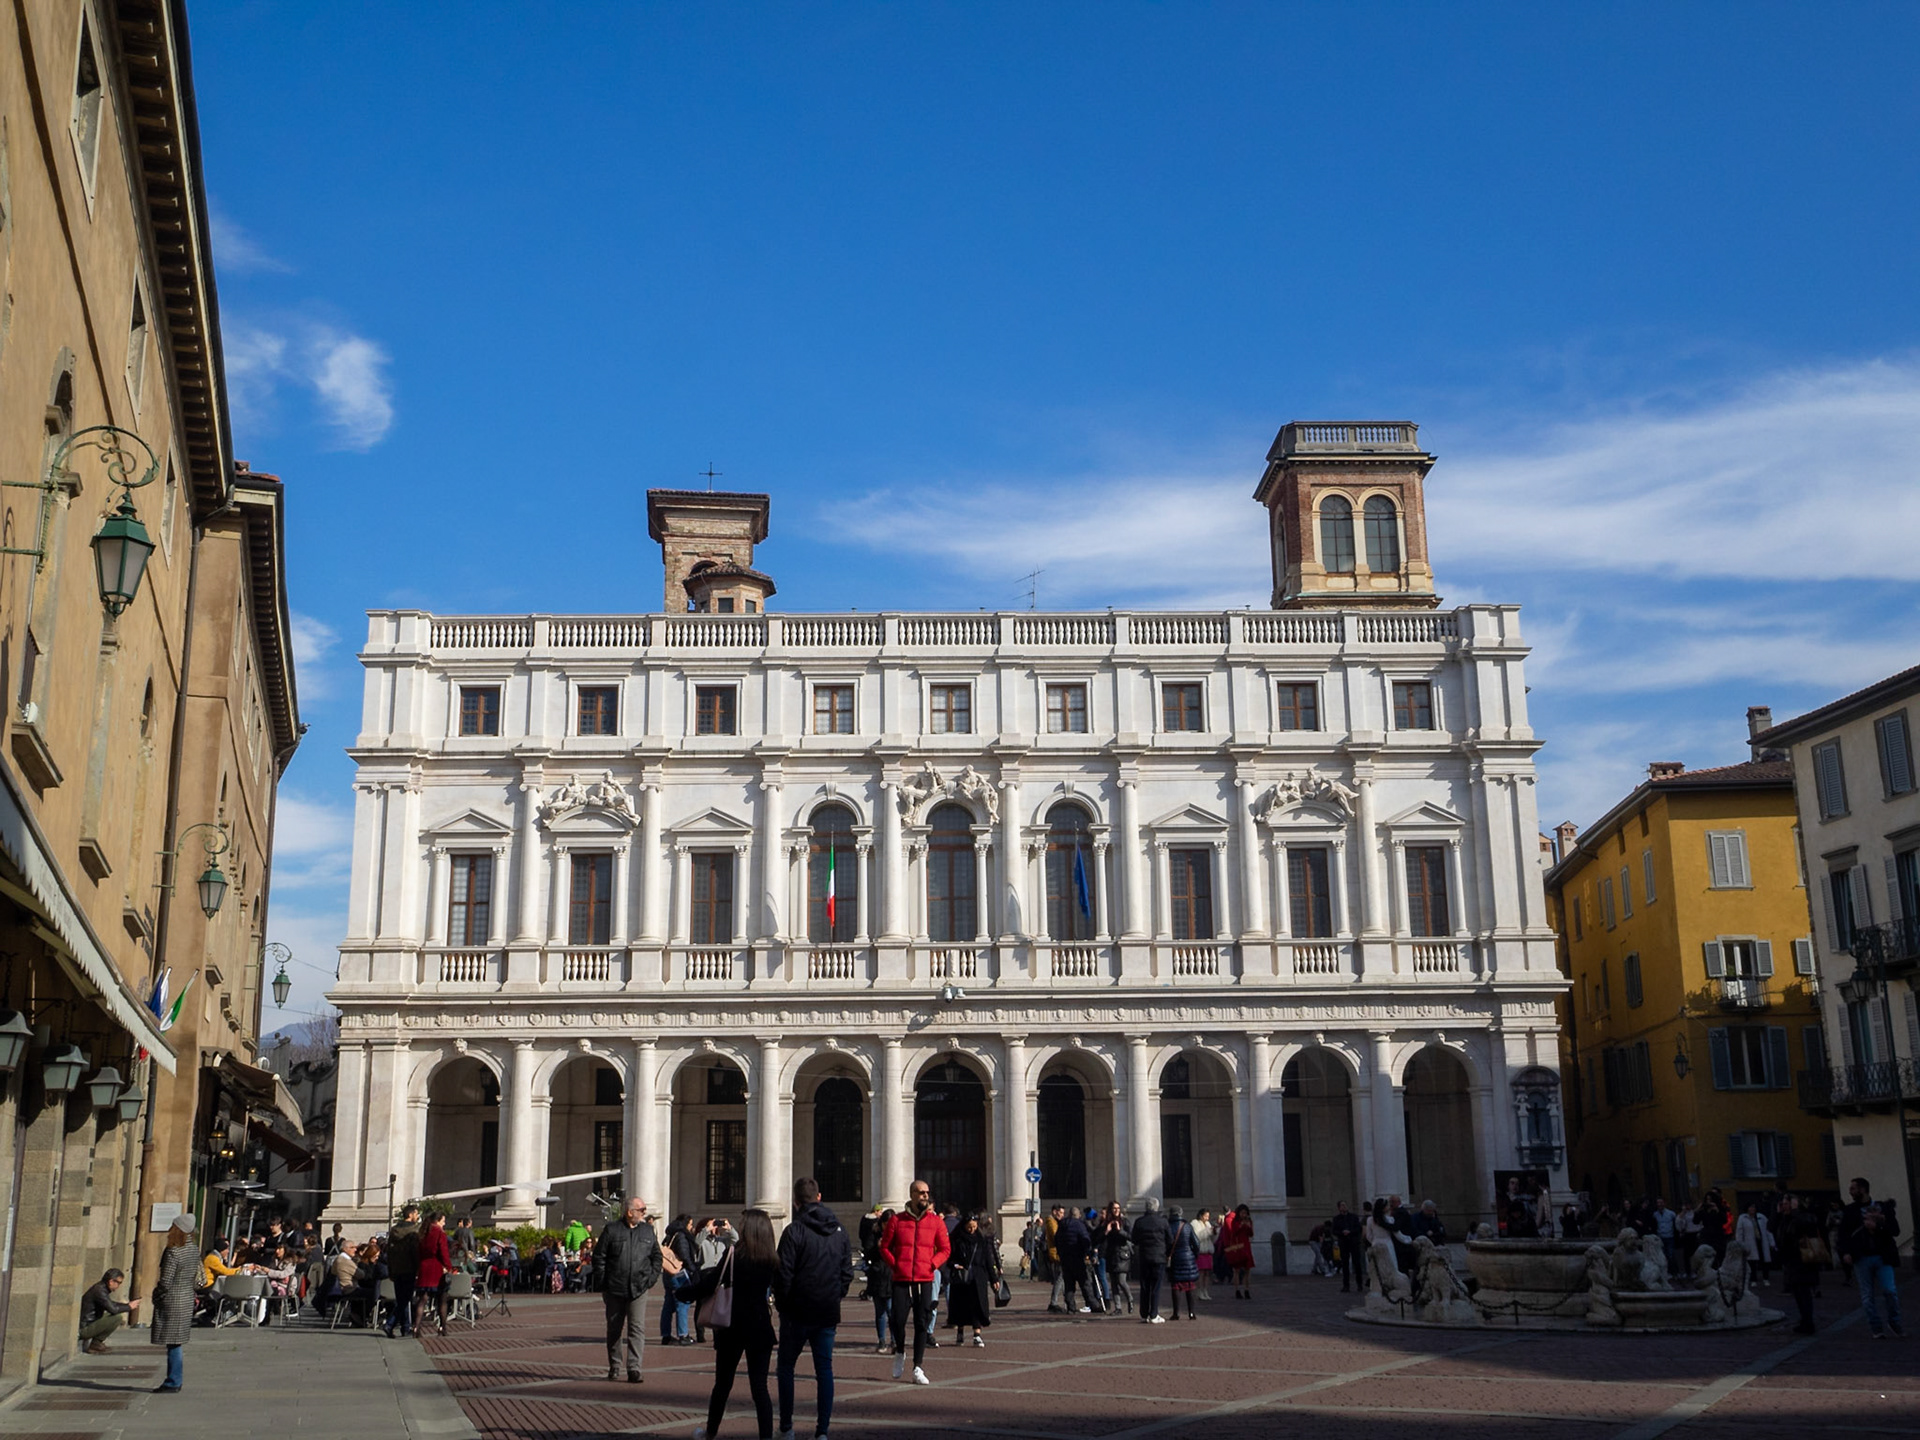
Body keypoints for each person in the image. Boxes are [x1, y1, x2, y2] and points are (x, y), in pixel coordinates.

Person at [687, 1208, 778, 1440]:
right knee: (760, 1388)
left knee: (722, 1385)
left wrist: (684, 1292)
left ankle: (710, 1432)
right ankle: (766, 1436)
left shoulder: (734, 1255)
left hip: (732, 1326)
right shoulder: (771, 1259)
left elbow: (710, 1285)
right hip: (759, 1327)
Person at [776, 1177, 854, 1439]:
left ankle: (786, 1428)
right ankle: (822, 1431)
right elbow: (847, 1273)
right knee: (825, 1370)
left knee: (786, 1367)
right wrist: (834, 1296)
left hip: (796, 1312)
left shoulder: (793, 1231)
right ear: (819, 1197)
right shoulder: (839, 1230)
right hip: (826, 1312)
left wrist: (784, 1306)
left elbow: (783, 1274)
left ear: (796, 1202)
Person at [880, 1177, 949, 1383]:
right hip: (902, 1279)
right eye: (921, 1192)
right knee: (898, 1320)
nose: (925, 1196)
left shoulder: (936, 1222)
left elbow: (945, 1249)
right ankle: (900, 1350)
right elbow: (884, 1247)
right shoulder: (897, 1221)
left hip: (924, 1278)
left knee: (922, 1322)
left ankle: (918, 1366)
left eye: (927, 1192)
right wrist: (896, 1264)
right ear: (912, 1195)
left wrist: (932, 1264)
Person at [594, 1196, 664, 1382]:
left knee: (637, 1328)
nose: (644, 1213)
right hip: (614, 1288)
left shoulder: (648, 1231)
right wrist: (604, 1283)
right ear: (629, 1211)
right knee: (614, 1328)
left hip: (639, 1288)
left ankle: (634, 1368)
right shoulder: (612, 1230)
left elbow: (657, 1257)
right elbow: (599, 1256)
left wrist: (651, 1279)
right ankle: (615, 1365)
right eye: (641, 1210)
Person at [1841, 1201, 1904, 1339]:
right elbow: (1845, 1233)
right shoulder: (1855, 1219)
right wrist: (1846, 1252)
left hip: (1882, 1257)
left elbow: (1894, 1231)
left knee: (1889, 1290)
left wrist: (1879, 1226)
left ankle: (1894, 1322)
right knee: (1867, 1295)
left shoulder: (1884, 1219)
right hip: (1862, 1257)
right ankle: (1876, 1327)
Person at [150, 1215, 198, 1392]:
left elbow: (166, 1281)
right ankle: (174, 1379)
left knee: (173, 1342)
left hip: (173, 1300)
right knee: (176, 1341)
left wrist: (156, 1294)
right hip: (186, 1298)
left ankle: (173, 1380)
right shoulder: (193, 1249)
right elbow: (197, 1277)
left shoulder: (174, 1251)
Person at [946, 1213, 1000, 1346]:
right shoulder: (956, 1239)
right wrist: (954, 1265)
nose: (972, 1230)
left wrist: (994, 1278)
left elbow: (988, 1260)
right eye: (969, 1227)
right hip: (961, 1278)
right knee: (961, 1306)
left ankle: (977, 1334)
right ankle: (960, 1331)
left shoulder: (981, 1240)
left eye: (974, 1227)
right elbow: (949, 1257)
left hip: (978, 1277)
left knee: (978, 1305)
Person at [1776, 1194, 1823, 1335]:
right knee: (1797, 1292)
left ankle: (1808, 1322)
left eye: (1786, 1203)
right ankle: (1804, 1320)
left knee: (1804, 1292)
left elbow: (1804, 1226)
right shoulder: (1786, 1218)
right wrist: (1778, 1214)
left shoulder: (1804, 1217)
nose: (1783, 1206)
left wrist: (1795, 1211)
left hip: (1803, 1259)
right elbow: (1773, 1228)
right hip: (1791, 1259)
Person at [78, 1267, 140, 1353]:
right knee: (116, 1317)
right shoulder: (99, 1291)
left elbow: (110, 1304)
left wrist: (127, 1305)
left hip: (89, 1322)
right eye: (119, 1283)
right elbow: (113, 1309)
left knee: (112, 1317)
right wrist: (129, 1307)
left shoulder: (101, 1288)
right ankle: (96, 1343)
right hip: (84, 1328)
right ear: (111, 1282)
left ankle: (96, 1343)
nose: (118, 1286)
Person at [662, 1214, 701, 1345]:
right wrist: (692, 1269)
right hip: (679, 1273)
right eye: (690, 1224)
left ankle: (666, 1335)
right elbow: (684, 1255)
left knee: (668, 1304)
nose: (691, 1227)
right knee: (682, 1303)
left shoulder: (670, 1234)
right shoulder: (681, 1236)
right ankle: (683, 1334)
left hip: (667, 1272)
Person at [1130, 1197, 1171, 1324]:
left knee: (1145, 1286)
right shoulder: (1163, 1222)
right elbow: (1170, 1240)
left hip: (1144, 1257)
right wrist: (1167, 1253)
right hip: (1159, 1257)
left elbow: (1134, 1239)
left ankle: (1144, 1313)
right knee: (1156, 1286)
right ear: (1157, 1207)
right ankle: (1154, 1313)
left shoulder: (1139, 1222)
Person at [386, 1204, 422, 1338]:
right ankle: (389, 1324)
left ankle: (405, 1327)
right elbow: (415, 1252)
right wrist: (418, 1268)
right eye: (416, 1214)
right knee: (405, 1299)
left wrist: (390, 1269)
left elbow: (389, 1252)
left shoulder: (394, 1230)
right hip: (409, 1268)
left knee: (401, 1298)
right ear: (411, 1214)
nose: (417, 1217)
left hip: (396, 1268)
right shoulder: (414, 1231)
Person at [862, 1208, 895, 1353]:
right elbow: (867, 1253)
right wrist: (878, 1247)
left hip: (892, 1276)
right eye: (885, 1224)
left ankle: (895, 1340)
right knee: (880, 1312)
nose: (887, 1227)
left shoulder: (897, 1235)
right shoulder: (874, 1234)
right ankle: (882, 1340)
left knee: (892, 1310)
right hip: (877, 1275)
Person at [1057, 1204, 1099, 1314]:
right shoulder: (1080, 1225)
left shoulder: (1062, 1224)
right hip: (1077, 1257)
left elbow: (1057, 1240)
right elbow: (1085, 1240)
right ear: (1078, 1215)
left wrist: (1061, 1253)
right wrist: (1087, 1253)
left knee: (1069, 1284)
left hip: (1065, 1258)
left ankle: (1071, 1307)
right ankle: (1093, 1304)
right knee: (1085, 1282)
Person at [416, 1211, 453, 1334]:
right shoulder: (439, 1233)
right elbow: (443, 1251)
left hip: (423, 1267)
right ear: (437, 1221)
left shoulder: (423, 1232)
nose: (444, 1223)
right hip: (436, 1267)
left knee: (422, 1299)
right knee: (442, 1300)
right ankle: (443, 1327)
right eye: (443, 1221)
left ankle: (416, 1326)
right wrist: (448, 1266)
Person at [1165, 1206, 1200, 1320]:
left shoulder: (1168, 1226)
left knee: (1176, 1285)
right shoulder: (1187, 1226)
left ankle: (1176, 1313)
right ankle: (1191, 1312)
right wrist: (1194, 1255)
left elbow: (1167, 1244)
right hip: (1188, 1258)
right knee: (1190, 1285)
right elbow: (1196, 1243)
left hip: (1175, 1258)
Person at [1099, 1204, 1135, 1316]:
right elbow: (1100, 1239)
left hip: (1122, 1255)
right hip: (1111, 1254)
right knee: (1113, 1283)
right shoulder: (1106, 1223)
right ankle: (1118, 1307)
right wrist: (1106, 1231)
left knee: (1121, 1280)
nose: (1116, 1211)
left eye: (1118, 1209)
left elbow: (1131, 1237)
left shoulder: (1124, 1221)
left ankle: (1130, 1299)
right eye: (1114, 1209)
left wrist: (1120, 1230)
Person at [1222, 1203, 1256, 1299]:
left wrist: (1248, 1226)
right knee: (1236, 1270)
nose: (1244, 1215)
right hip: (1238, 1247)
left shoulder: (1249, 1221)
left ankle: (1246, 1289)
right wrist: (1241, 1225)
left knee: (1247, 1269)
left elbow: (1251, 1234)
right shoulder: (1235, 1221)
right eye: (1242, 1213)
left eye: (1245, 1213)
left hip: (1246, 1246)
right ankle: (1237, 1290)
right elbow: (1234, 1232)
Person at [1735, 1202, 1774, 1286]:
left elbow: (1768, 1230)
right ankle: (1753, 1279)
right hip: (1750, 1243)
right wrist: (1740, 1244)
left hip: (1761, 1241)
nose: (1752, 1209)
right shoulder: (1742, 1218)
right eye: (1750, 1207)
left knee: (1765, 1261)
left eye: (1754, 1207)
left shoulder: (1762, 1217)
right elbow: (1739, 1232)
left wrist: (1772, 1242)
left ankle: (1766, 1278)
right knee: (1751, 1262)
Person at [1329, 1201, 1364, 1294]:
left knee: (1357, 1264)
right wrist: (1342, 1232)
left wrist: (1350, 1232)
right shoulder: (1336, 1219)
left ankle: (1359, 1284)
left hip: (1354, 1242)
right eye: (1342, 1206)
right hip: (1343, 1243)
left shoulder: (1353, 1217)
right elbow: (1334, 1230)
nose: (1344, 1207)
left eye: (1345, 1205)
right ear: (1339, 1208)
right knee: (1345, 1264)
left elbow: (1358, 1228)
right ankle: (1346, 1285)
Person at [1190, 1208, 1216, 1301]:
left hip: (1208, 1251)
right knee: (1201, 1273)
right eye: (1205, 1216)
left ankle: (1205, 1290)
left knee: (1207, 1273)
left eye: (1208, 1216)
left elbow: (1212, 1238)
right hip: (1201, 1251)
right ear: (1201, 1215)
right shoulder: (1195, 1223)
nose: (1207, 1218)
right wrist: (1208, 1232)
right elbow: (1197, 1236)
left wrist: (1214, 1232)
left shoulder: (1207, 1224)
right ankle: (1199, 1291)